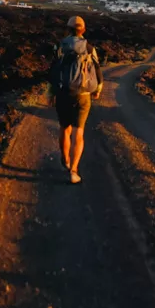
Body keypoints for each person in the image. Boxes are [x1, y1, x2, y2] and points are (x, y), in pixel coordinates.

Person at [49, 15, 103, 184]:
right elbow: (98, 70)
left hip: (63, 93)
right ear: (83, 30)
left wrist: (51, 93)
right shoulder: (89, 47)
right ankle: (74, 171)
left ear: (68, 29)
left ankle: (65, 160)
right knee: (79, 131)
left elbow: (53, 71)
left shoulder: (60, 46)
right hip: (83, 95)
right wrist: (98, 89)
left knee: (65, 128)